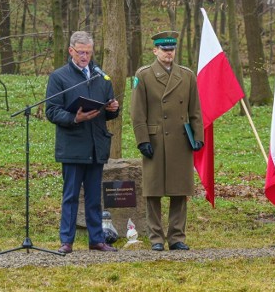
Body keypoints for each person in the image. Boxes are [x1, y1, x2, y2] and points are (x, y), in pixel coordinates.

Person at [46, 31, 120, 253]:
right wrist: (74, 118)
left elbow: (107, 111)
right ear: (71, 51)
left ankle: (96, 239)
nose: (85, 57)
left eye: (88, 52)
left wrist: (113, 110)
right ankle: (66, 241)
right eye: (80, 52)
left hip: (96, 146)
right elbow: (51, 111)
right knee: (70, 196)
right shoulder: (59, 78)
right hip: (72, 146)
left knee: (94, 196)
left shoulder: (101, 76)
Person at [131, 31, 204, 251]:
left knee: (179, 190)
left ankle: (176, 237)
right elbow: (137, 112)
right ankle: (155, 238)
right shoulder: (143, 75)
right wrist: (142, 139)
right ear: (155, 51)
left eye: (171, 49)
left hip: (180, 140)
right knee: (153, 191)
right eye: (164, 50)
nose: (168, 53)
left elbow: (196, 111)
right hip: (155, 140)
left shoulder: (187, 75)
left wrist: (198, 136)